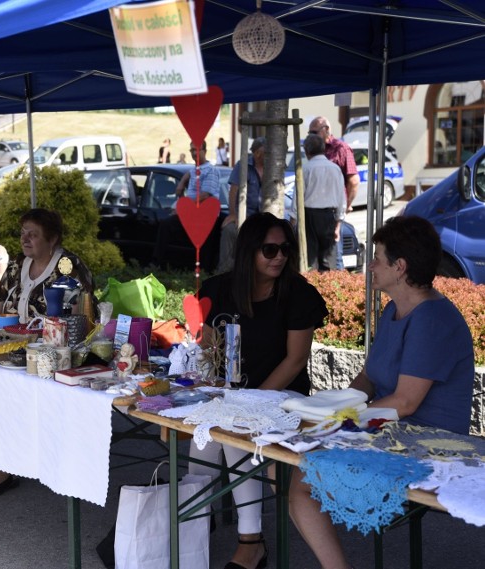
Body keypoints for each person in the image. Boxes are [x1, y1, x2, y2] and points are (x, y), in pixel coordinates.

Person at [288, 215, 474, 569]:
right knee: (291, 454)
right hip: (392, 429)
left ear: (400, 267)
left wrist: (337, 421)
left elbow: (405, 402)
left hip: (428, 443)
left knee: (301, 480)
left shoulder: (433, 319)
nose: (369, 265)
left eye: (377, 257)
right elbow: (367, 381)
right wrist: (326, 412)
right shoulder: (395, 309)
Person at [193, 213, 328, 569]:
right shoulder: (219, 290)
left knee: (234, 428)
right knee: (201, 433)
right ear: (249, 251)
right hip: (230, 392)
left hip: (284, 395)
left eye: (284, 249)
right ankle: (194, 515)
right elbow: (207, 349)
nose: (279, 257)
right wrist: (206, 372)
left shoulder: (299, 294)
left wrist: (251, 400)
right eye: (269, 249)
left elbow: (296, 361)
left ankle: (250, 541)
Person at [0, 209, 95, 497]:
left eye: (32, 233)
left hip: (53, 353)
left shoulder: (68, 265)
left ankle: (7, 466)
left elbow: (81, 320)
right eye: (23, 232)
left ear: (53, 238)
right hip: (14, 348)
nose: (25, 238)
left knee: (16, 393)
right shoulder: (18, 265)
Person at [153, 140, 221, 269]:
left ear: (204, 151)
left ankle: (202, 274)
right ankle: (160, 265)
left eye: (197, 149)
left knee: (168, 225)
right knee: (167, 225)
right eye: (192, 150)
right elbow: (190, 173)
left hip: (205, 217)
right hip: (193, 215)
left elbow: (205, 195)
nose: (194, 152)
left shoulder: (210, 171)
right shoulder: (195, 170)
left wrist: (182, 208)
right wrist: (182, 182)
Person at [309, 116, 359, 269]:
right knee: (318, 259)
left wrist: (346, 206)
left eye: (314, 132)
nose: (311, 136)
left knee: (334, 256)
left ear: (326, 130)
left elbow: (353, 181)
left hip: (333, 210)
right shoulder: (314, 150)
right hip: (315, 210)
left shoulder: (340, 148)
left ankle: (337, 289)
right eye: (309, 133)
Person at [218, 137, 265, 273]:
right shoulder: (243, 165)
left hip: (263, 216)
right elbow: (233, 190)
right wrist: (233, 214)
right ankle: (225, 273)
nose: (269, 156)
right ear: (257, 154)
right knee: (229, 231)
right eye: (266, 153)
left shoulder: (271, 166)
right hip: (244, 214)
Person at [302, 133, 346, 272]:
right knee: (328, 259)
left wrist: (293, 222)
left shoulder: (306, 169)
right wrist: (338, 224)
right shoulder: (335, 168)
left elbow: (298, 198)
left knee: (311, 260)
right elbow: (341, 198)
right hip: (330, 215)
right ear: (323, 149)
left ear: (307, 151)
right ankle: (329, 290)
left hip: (310, 216)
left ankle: (312, 289)